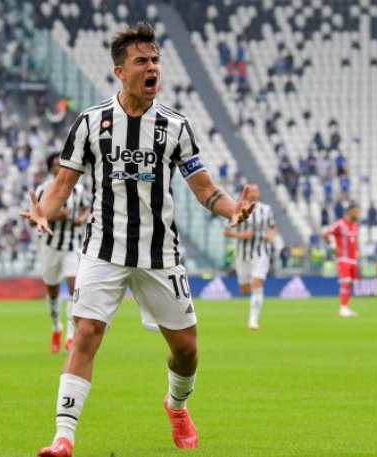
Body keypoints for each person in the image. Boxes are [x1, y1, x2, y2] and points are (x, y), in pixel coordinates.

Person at [20, 23, 254, 456]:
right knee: (86, 333)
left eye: (156, 60)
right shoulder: (91, 123)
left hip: (159, 253)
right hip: (103, 249)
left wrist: (231, 210)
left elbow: (205, 189)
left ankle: (176, 405)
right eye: (142, 61)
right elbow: (61, 187)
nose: (152, 68)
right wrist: (42, 211)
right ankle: (63, 437)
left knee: (187, 350)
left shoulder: (175, 126)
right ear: (120, 71)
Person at [35, 153, 89, 353]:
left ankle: (70, 336)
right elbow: (33, 220)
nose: (60, 167)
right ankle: (56, 326)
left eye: (63, 163)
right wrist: (56, 216)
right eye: (56, 164)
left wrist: (82, 218)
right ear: (50, 169)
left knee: (74, 287)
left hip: (72, 246)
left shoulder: (79, 189)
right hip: (49, 247)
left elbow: (88, 208)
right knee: (52, 290)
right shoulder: (43, 190)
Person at [223, 184, 277, 330]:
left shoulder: (266, 209)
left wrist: (269, 236)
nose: (253, 194)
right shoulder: (236, 208)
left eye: (256, 191)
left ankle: (253, 320)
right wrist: (242, 235)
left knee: (257, 284)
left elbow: (273, 227)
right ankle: (250, 303)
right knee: (245, 289)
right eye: (251, 191)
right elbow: (226, 232)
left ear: (259, 193)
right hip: (242, 254)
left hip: (261, 253)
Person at [321, 202, 361, 317]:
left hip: (353, 259)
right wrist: (333, 247)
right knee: (346, 282)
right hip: (343, 258)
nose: (358, 214)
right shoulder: (340, 224)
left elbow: (355, 239)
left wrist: (357, 251)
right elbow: (325, 234)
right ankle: (343, 308)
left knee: (350, 283)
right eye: (356, 211)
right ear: (349, 211)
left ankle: (346, 307)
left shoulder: (355, 225)